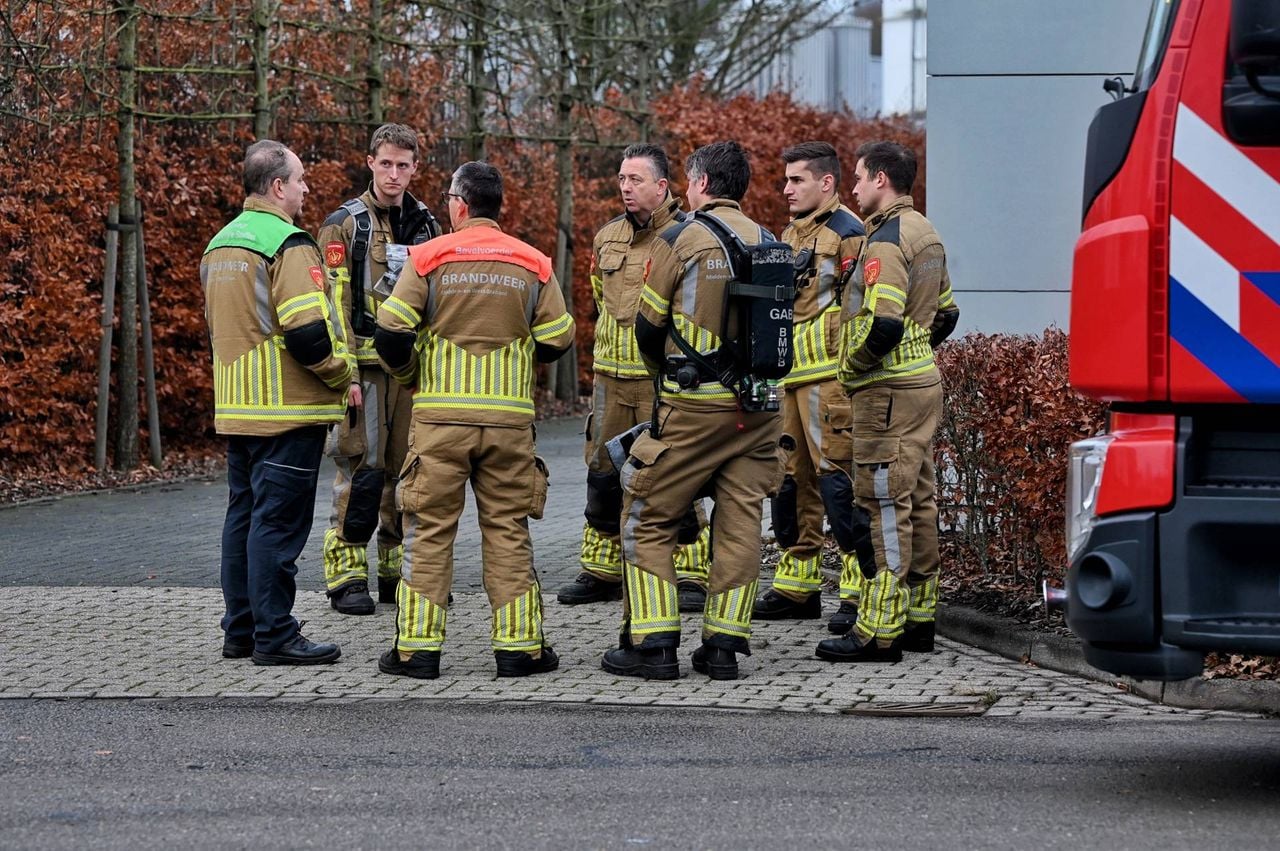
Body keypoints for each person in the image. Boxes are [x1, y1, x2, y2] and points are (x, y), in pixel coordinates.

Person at [374, 161, 575, 680]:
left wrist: (413, 375)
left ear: (460, 205)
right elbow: (558, 336)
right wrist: (517, 356)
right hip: (508, 422)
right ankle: (520, 650)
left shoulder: (427, 257)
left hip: (440, 418)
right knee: (507, 528)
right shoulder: (534, 262)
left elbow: (391, 333)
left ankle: (417, 652)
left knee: (429, 529)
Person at [601, 141, 784, 682]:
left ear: (701, 184)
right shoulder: (769, 239)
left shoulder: (679, 239)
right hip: (759, 410)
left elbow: (647, 325)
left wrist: (667, 376)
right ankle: (723, 648)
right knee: (740, 524)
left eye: (687, 181)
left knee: (646, 517)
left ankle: (654, 646)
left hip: (696, 407)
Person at [201, 140, 355, 665]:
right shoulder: (286, 243)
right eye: (301, 179)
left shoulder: (219, 244)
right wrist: (341, 374)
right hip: (286, 410)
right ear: (276, 186)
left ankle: (240, 631)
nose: (306, 188)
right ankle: (275, 635)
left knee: (242, 518)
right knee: (278, 526)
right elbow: (309, 334)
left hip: (238, 407)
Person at [816, 140, 960, 664]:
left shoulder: (885, 241)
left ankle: (877, 631)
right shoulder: (926, 231)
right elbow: (947, 313)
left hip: (887, 393)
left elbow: (885, 321)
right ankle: (919, 621)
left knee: (881, 506)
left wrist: (855, 368)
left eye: (857, 178)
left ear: (881, 179)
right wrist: (916, 356)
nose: (852, 188)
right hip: (921, 385)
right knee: (918, 500)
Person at [557, 143, 712, 612]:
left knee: (671, 473)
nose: (625, 187)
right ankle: (601, 570)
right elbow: (599, 301)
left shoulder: (688, 237)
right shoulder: (607, 238)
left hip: (663, 383)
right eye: (622, 179)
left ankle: (689, 573)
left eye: (636, 180)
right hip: (610, 378)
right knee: (602, 470)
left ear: (663, 186)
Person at [317, 123, 442, 615]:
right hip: (362, 372)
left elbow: (438, 302)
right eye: (386, 163)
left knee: (408, 470)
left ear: (415, 168)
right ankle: (347, 575)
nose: (394, 174)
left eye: (403, 165)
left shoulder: (430, 225)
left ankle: (397, 573)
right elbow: (333, 306)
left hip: (410, 370)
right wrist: (343, 373)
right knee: (361, 470)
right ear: (370, 161)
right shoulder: (343, 225)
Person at [753, 141, 869, 633]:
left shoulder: (850, 234)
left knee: (837, 482)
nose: (786, 188)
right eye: (785, 179)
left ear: (826, 183)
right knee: (789, 482)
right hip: (791, 379)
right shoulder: (791, 233)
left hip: (830, 381)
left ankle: (858, 589)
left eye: (796, 179)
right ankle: (796, 585)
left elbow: (859, 304)